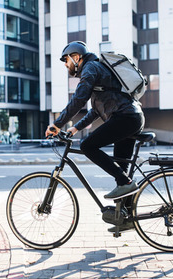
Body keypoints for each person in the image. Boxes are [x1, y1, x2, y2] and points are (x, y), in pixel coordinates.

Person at [45, 41, 145, 200]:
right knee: (122, 172)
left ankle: (125, 183)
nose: (65, 65)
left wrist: (57, 124)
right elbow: (97, 110)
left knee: (87, 146)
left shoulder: (90, 68)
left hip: (125, 118)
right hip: (132, 117)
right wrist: (75, 128)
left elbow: (78, 99)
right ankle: (124, 219)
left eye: (66, 60)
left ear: (76, 57)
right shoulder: (98, 69)